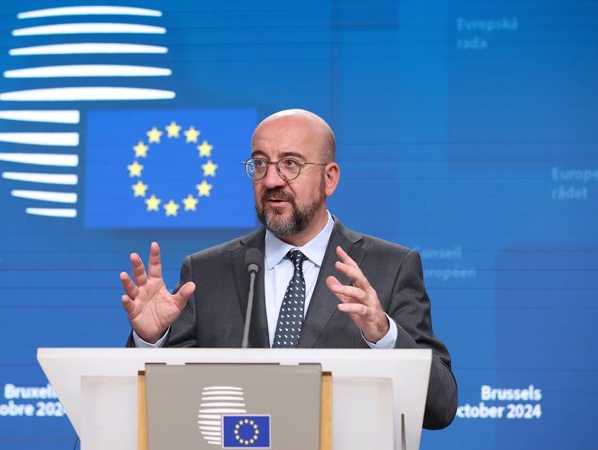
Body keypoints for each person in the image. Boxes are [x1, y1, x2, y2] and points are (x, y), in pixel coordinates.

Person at [120, 109, 457, 429]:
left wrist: (384, 335)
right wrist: (151, 340)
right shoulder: (206, 272)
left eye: (290, 164)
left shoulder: (390, 267)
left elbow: (440, 408)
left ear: (329, 178)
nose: (270, 180)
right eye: (260, 164)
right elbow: (162, 403)